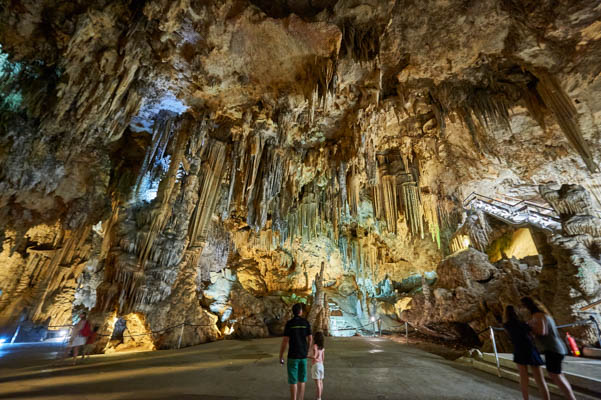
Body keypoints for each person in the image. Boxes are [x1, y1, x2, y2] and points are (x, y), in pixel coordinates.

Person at [521, 297, 577, 400]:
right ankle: (571, 398)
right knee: (557, 375)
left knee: (557, 376)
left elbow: (543, 331)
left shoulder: (538, 315)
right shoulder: (544, 315)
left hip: (553, 349)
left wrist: (529, 328)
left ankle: (571, 398)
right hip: (554, 348)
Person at [503, 305, 549, 400]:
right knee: (540, 380)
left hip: (518, 350)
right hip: (529, 349)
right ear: (516, 312)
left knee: (524, 379)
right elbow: (532, 334)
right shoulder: (523, 324)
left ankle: (525, 398)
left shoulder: (506, 325)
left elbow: (510, 337)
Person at [279, 303, 312, 400]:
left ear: (293, 312)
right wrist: (307, 350)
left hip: (292, 355)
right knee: (302, 379)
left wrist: (281, 356)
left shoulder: (289, 323)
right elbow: (310, 338)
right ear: (300, 312)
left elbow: (285, 340)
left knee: (293, 380)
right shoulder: (306, 323)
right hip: (303, 355)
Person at [309, 331, 325, 400]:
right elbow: (323, 357)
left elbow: (315, 356)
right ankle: (319, 397)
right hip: (321, 365)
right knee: (321, 382)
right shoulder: (322, 347)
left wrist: (307, 356)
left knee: (318, 383)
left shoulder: (315, 346)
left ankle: (318, 398)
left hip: (316, 365)